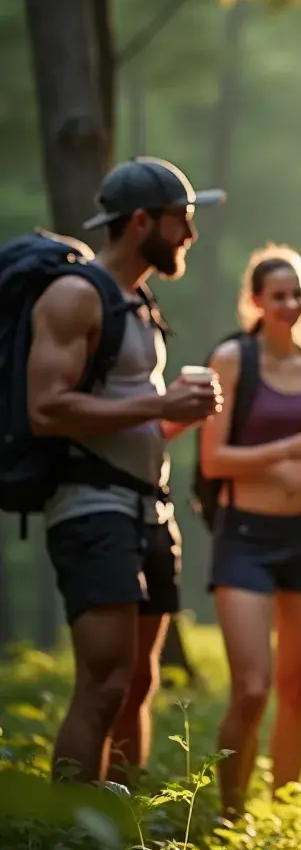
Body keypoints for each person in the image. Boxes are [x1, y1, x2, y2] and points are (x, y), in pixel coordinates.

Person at [25, 156, 225, 784]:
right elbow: (46, 408)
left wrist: (177, 418)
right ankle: (67, 841)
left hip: (150, 508)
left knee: (138, 681)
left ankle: (121, 829)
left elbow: (128, 415)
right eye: (181, 220)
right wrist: (162, 403)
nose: (189, 235)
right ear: (142, 222)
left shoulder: (139, 302)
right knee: (103, 682)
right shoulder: (74, 295)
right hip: (92, 506)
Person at [200, 244, 301, 818]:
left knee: (296, 687)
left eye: (297, 294)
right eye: (277, 296)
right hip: (244, 536)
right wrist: (290, 446)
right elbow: (214, 461)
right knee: (251, 689)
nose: (289, 305)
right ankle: (230, 815)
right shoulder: (232, 359)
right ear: (256, 302)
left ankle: (283, 817)